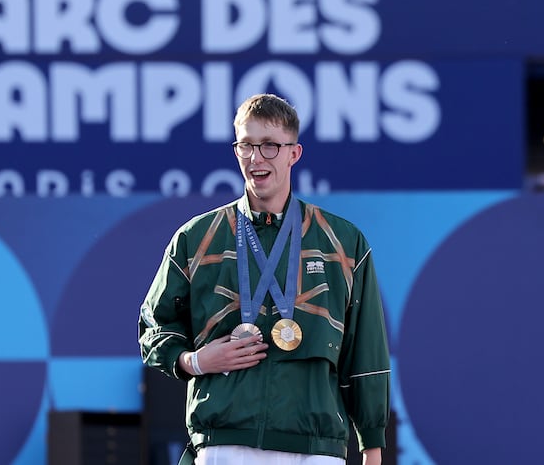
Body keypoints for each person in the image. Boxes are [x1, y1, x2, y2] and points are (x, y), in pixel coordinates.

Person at [138, 93, 390, 465]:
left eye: (270, 145)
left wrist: (372, 446)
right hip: (224, 442)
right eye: (246, 145)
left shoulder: (343, 242)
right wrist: (194, 361)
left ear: (294, 153)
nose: (256, 158)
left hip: (315, 448)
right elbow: (154, 327)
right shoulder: (197, 237)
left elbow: (365, 351)